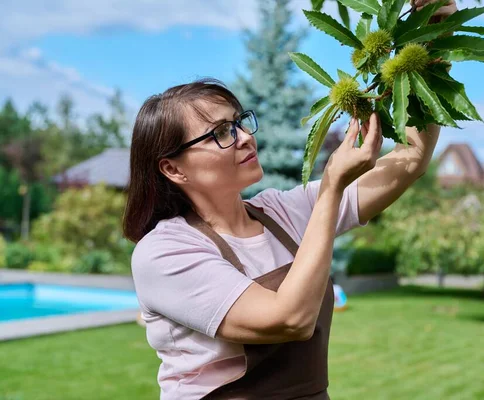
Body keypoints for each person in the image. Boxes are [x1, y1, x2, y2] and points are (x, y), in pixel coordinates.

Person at [123, 4, 453, 399]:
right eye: (220, 133)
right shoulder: (165, 252)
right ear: (173, 169)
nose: (245, 137)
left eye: (240, 122)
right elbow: (289, 320)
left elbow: (411, 160)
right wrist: (331, 188)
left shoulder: (281, 212)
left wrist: (434, 31)